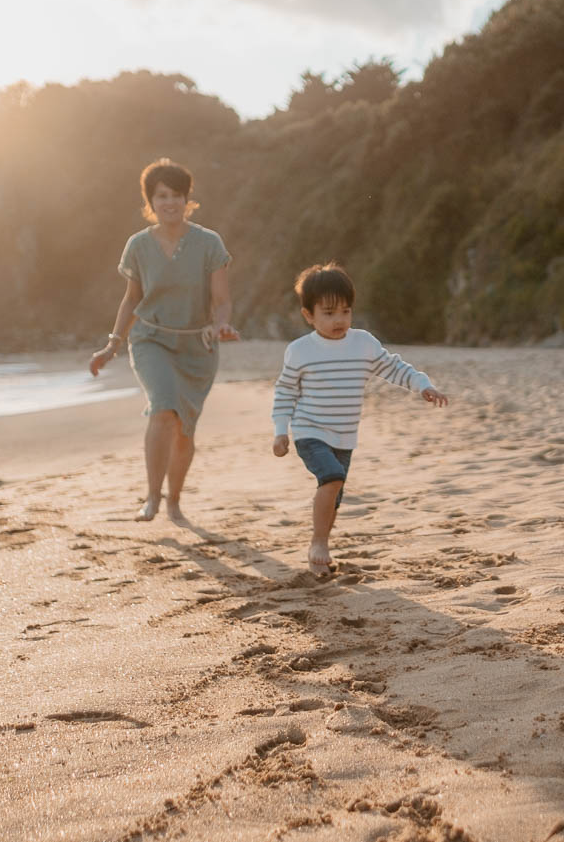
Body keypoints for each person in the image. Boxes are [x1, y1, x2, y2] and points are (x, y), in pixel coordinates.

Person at [271, 264, 449, 576]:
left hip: (344, 436)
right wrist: (280, 430)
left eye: (345, 311)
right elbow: (285, 391)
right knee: (331, 477)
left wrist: (423, 385)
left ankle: (318, 557)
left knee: (334, 495)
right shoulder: (299, 351)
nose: (338, 320)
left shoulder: (363, 343)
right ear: (308, 315)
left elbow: (395, 368)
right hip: (309, 430)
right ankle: (318, 543)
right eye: (328, 313)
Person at [89, 159, 238, 525]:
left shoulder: (208, 243)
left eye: (177, 195)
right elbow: (131, 299)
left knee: (185, 428)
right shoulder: (138, 246)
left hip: (197, 348)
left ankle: (174, 500)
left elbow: (221, 299)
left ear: (188, 199)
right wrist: (113, 343)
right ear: (150, 201)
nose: (170, 202)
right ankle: (152, 498)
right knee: (164, 408)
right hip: (150, 339)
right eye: (162, 196)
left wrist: (222, 325)